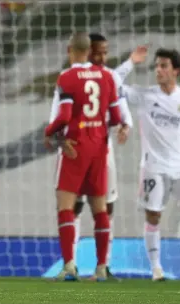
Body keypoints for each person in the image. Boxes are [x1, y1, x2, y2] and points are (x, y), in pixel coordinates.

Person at [48, 33, 148, 278]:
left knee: (66, 206)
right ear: (90, 50)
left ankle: (70, 264)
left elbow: (62, 115)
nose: (103, 56)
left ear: (69, 49)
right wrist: (123, 125)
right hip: (100, 147)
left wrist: (51, 133)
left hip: (74, 145)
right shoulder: (106, 77)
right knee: (100, 208)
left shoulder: (67, 78)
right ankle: (101, 266)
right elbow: (116, 115)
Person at [122, 48, 180, 282]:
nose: (158, 70)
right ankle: (156, 269)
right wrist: (131, 62)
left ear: (176, 71)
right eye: (156, 66)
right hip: (154, 167)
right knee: (153, 216)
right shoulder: (144, 95)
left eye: (163, 66)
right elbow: (112, 84)